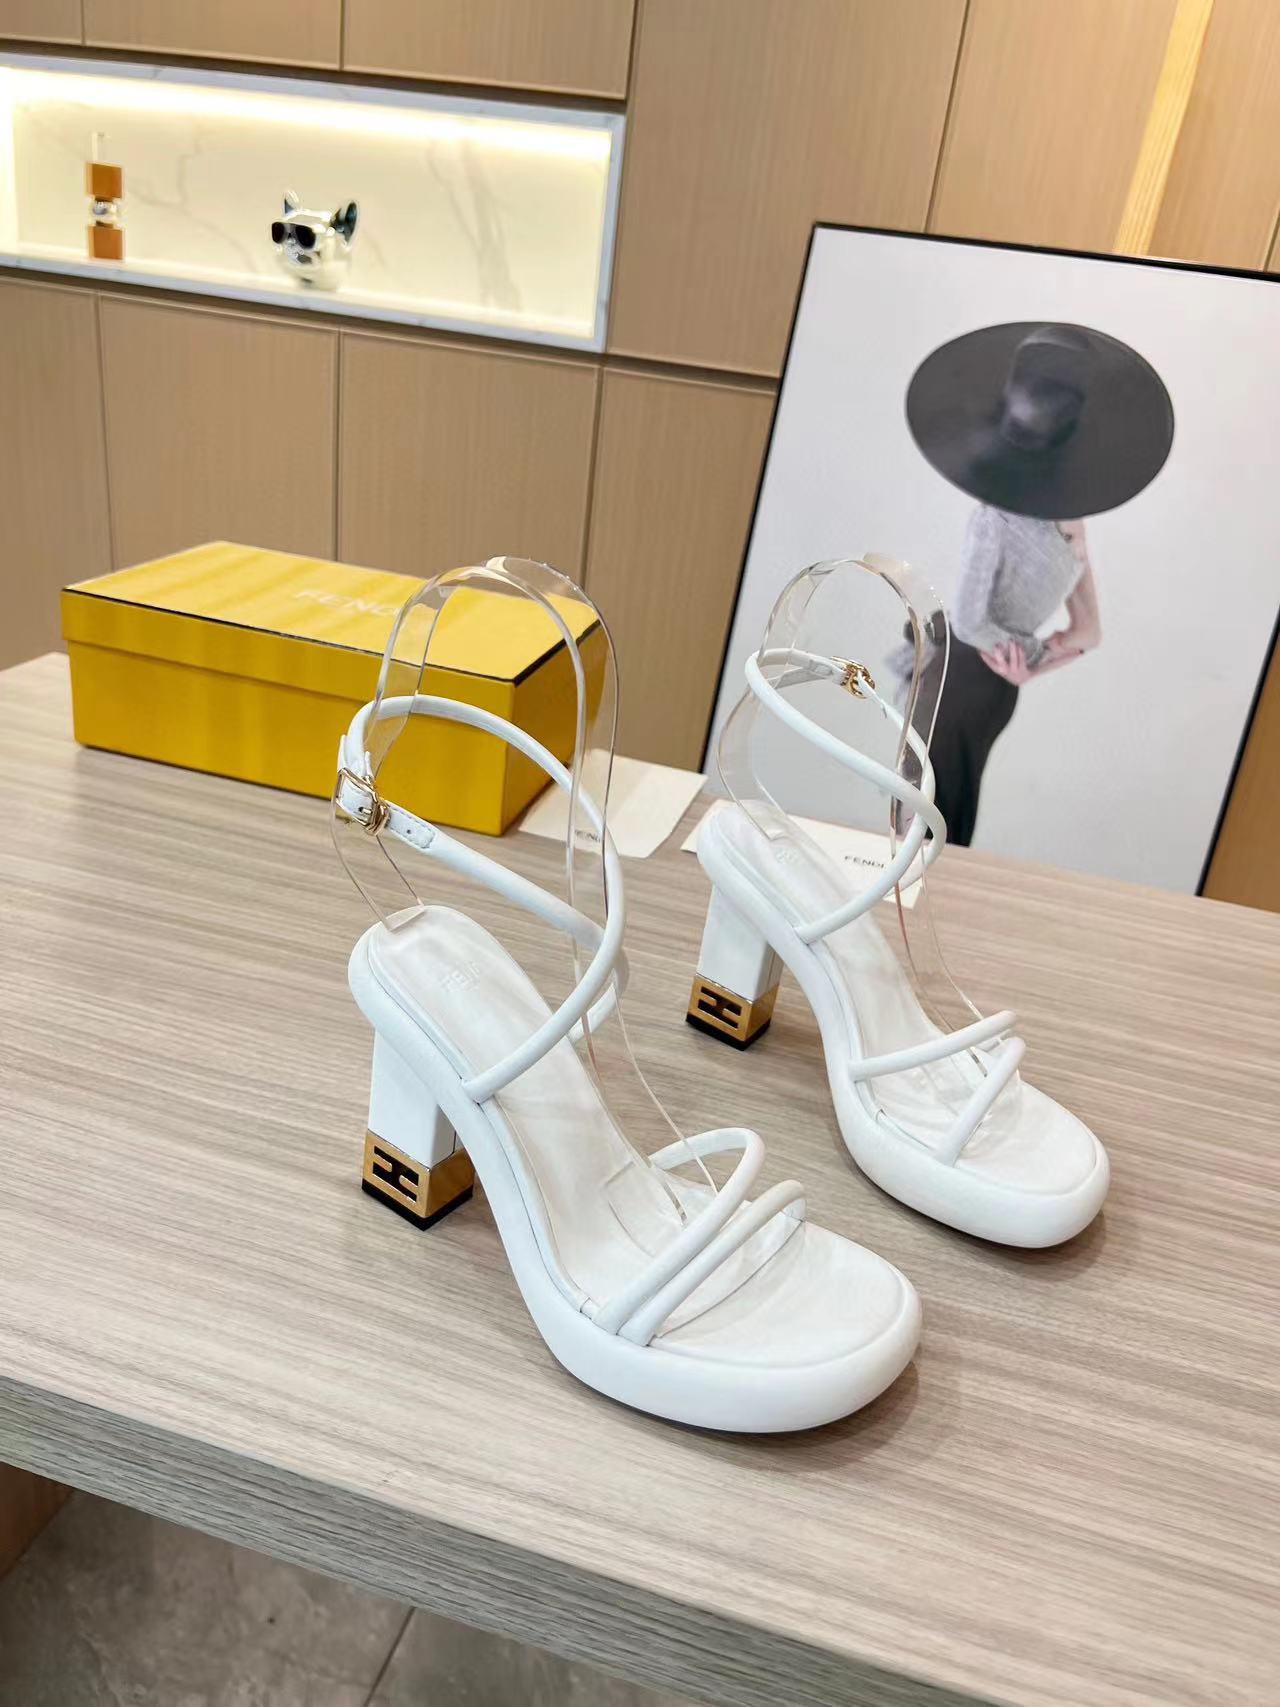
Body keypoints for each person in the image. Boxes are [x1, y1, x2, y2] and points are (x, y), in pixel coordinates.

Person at [904, 322, 1173, 845]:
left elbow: (989, 626)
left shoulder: (1029, 520)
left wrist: (1026, 660)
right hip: (978, 684)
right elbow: (1076, 633)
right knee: (936, 824)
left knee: (931, 825)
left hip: (975, 681)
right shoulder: (1037, 523)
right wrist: (1029, 660)